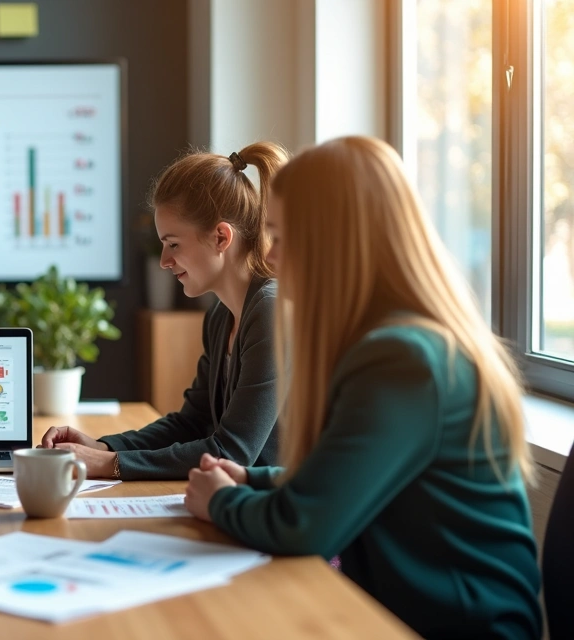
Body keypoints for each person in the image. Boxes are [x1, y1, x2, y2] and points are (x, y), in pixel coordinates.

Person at [185, 136, 542, 639]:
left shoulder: (403, 359)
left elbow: (306, 526)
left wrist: (221, 501)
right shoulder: (391, 343)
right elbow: (341, 478)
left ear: (336, 242)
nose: (273, 257)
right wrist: (250, 480)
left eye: (282, 236)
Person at [40, 142, 288, 479]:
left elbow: (233, 452)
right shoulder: (220, 316)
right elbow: (191, 423)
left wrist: (109, 464)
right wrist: (103, 448)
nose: (164, 261)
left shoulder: (271, 312)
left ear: (221, 237)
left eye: (173, 244)